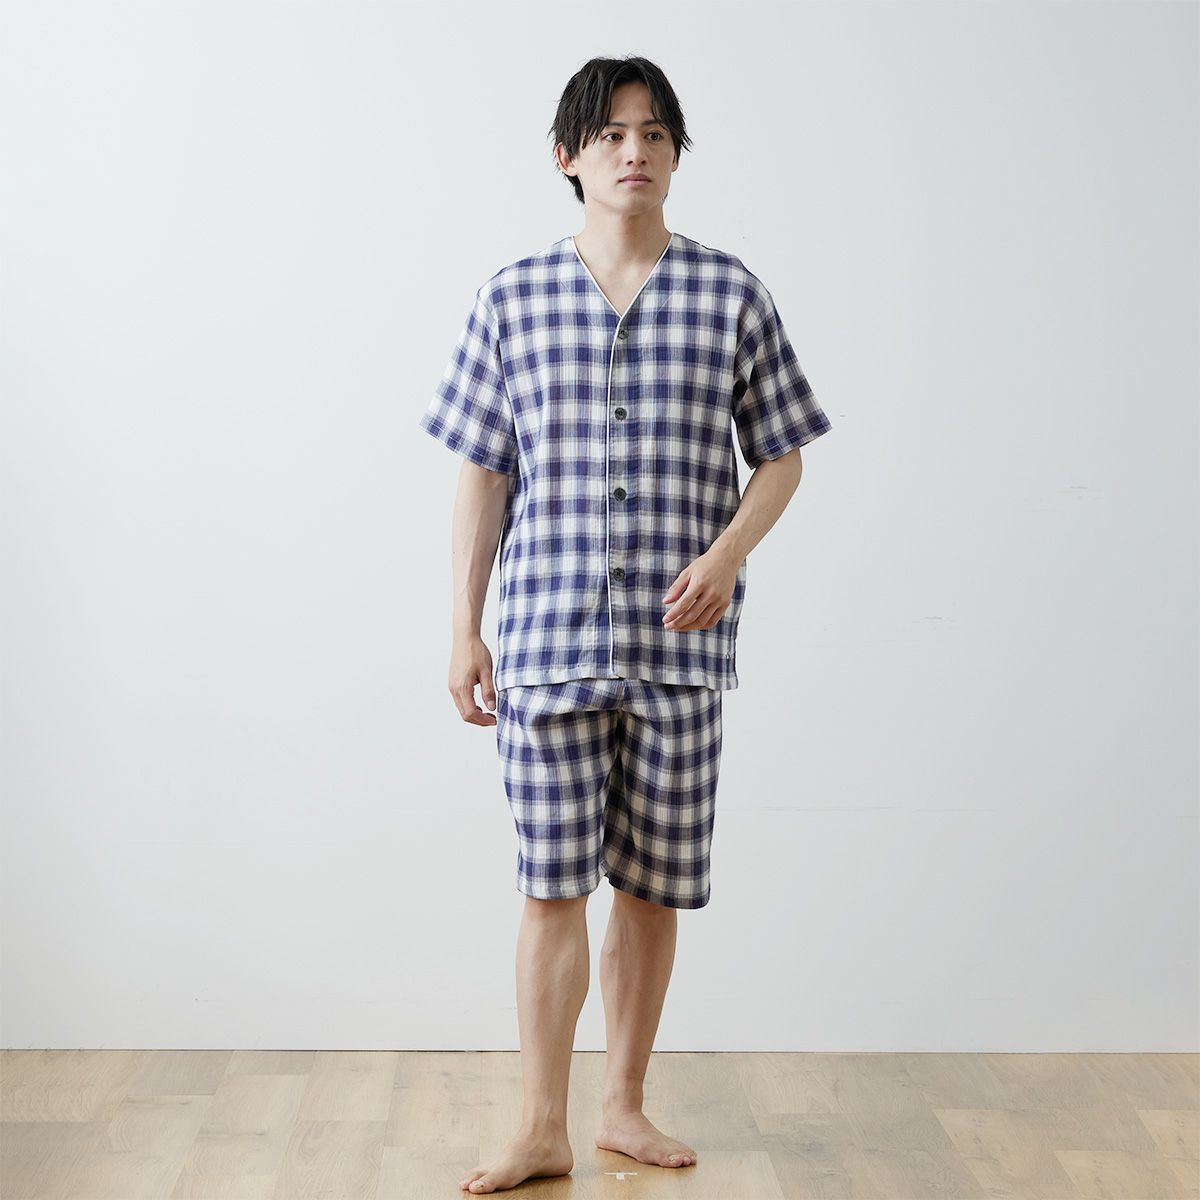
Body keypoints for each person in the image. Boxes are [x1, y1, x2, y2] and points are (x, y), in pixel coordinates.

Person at [418, 55, 832, 1196]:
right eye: (609, 135)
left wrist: (726, 556)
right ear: (569, 156)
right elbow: (482, 474)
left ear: (676, 153)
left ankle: (623, 1108)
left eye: (653, 133)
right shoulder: (512, 297)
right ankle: (538, 1126)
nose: (633, 151)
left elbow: (783, 455)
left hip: (679, 650)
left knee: (652, 889)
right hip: (546, 641)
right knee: (550, 887)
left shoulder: (731, 293)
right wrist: (462, 628)